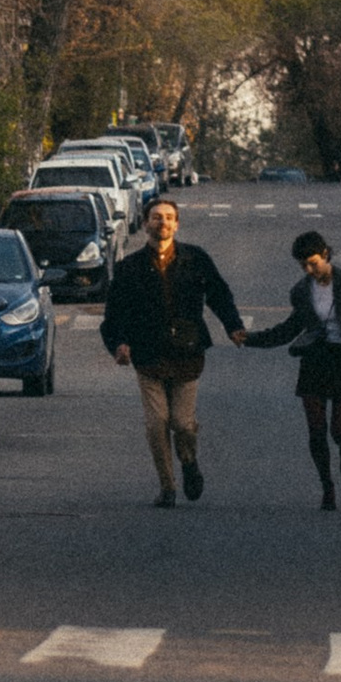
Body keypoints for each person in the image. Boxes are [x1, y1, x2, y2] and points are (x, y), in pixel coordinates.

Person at [101, 196, 245, 505]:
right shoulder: (130, 267)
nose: (162, 222)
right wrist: (119, 344)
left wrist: (233, 326)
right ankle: (167, 487)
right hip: (148, 355)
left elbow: (219, 294)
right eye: (156, 217)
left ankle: (189, 462)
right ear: (145, 224)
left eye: (168, 217)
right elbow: (114, 315)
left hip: (187, 353)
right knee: (157, 425)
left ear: (176, 224)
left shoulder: (195, 259)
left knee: (181, 424)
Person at [249, 228, 341, 510]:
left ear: (326, 254)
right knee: (316, 430)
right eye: (303, 266)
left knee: (338, 430)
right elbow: (289, 329)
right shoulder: (300, 291)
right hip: (315, 358)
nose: (309, 270)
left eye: (313, 263)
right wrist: (251, 339)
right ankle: (327, 486)